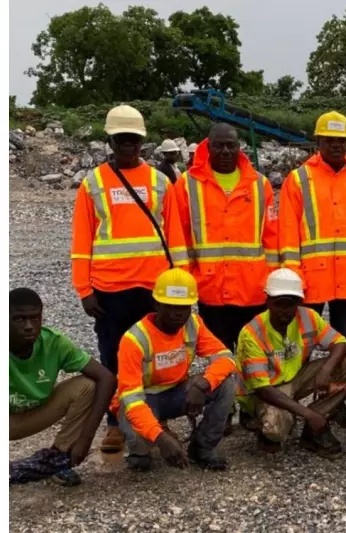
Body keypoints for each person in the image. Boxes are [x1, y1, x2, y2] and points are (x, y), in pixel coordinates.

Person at [70, 105, 188, 454]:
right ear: (110, 140)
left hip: (155, 288)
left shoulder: (159, 182)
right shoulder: (93, 184)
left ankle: (155, 416)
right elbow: (81, 241)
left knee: (155, 355)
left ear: (142, 141)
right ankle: (116, 422)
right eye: (121, 139)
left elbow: (175, 237)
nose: (128, 145)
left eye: (133, 139)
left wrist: (179, 285)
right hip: (109, 289)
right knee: (113, 356)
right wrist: (84, 289)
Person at [279, 110, 346, 429]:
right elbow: (287, 235)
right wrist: (290, 283)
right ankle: (288, 407)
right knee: (300, 347)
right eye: (330, 140)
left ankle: (335, 405)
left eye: (342, 140)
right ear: (318, 141)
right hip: (309, 283)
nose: (337, 145)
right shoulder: (299, 180)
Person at [115, 268, 237, 472]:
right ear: (156, 304)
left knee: (226, 384)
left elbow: (225, 358)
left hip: (177, 392)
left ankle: (201, 448)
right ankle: (140, 451)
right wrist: (160, 438)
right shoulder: (134, 340)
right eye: (171, 306)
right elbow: (132, 401)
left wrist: (203, 384)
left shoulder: (193, 324)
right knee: (142, 448)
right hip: (143, 399)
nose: (178, 314)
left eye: (184, 307)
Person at [175, 123, 279, 352]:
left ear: (239, 148)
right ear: (208, 146)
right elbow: (179, 237)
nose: (225, 151)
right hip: (211, 290)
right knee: (220, 356)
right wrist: (188, 280)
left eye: (231, 146)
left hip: (252, 291)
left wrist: (271, 282)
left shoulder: (260, 185)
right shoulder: (187, 184)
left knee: (253, 355)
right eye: (218, 146)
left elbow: (272, 239)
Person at [235, 269, 346, 460]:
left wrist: (326, 370)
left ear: (299, 302)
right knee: (275, 428)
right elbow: (262, 389)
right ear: (267, 301)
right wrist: (307, 413)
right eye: (278, 303)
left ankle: (312, 433)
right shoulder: (252, 333)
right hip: (267, 391)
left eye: (290, 304)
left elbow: (341, 343)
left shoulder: (307, 317)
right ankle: (257, 420)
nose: (284, 310)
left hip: (294, 378)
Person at [9, 288, 116, 486]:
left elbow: (107, 378)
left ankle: (57, 459)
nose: (29, 326)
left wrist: (85, 439)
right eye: (19, 319)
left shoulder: (54, 342)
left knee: (88, 386)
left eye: (35, 318)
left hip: (34, 412)